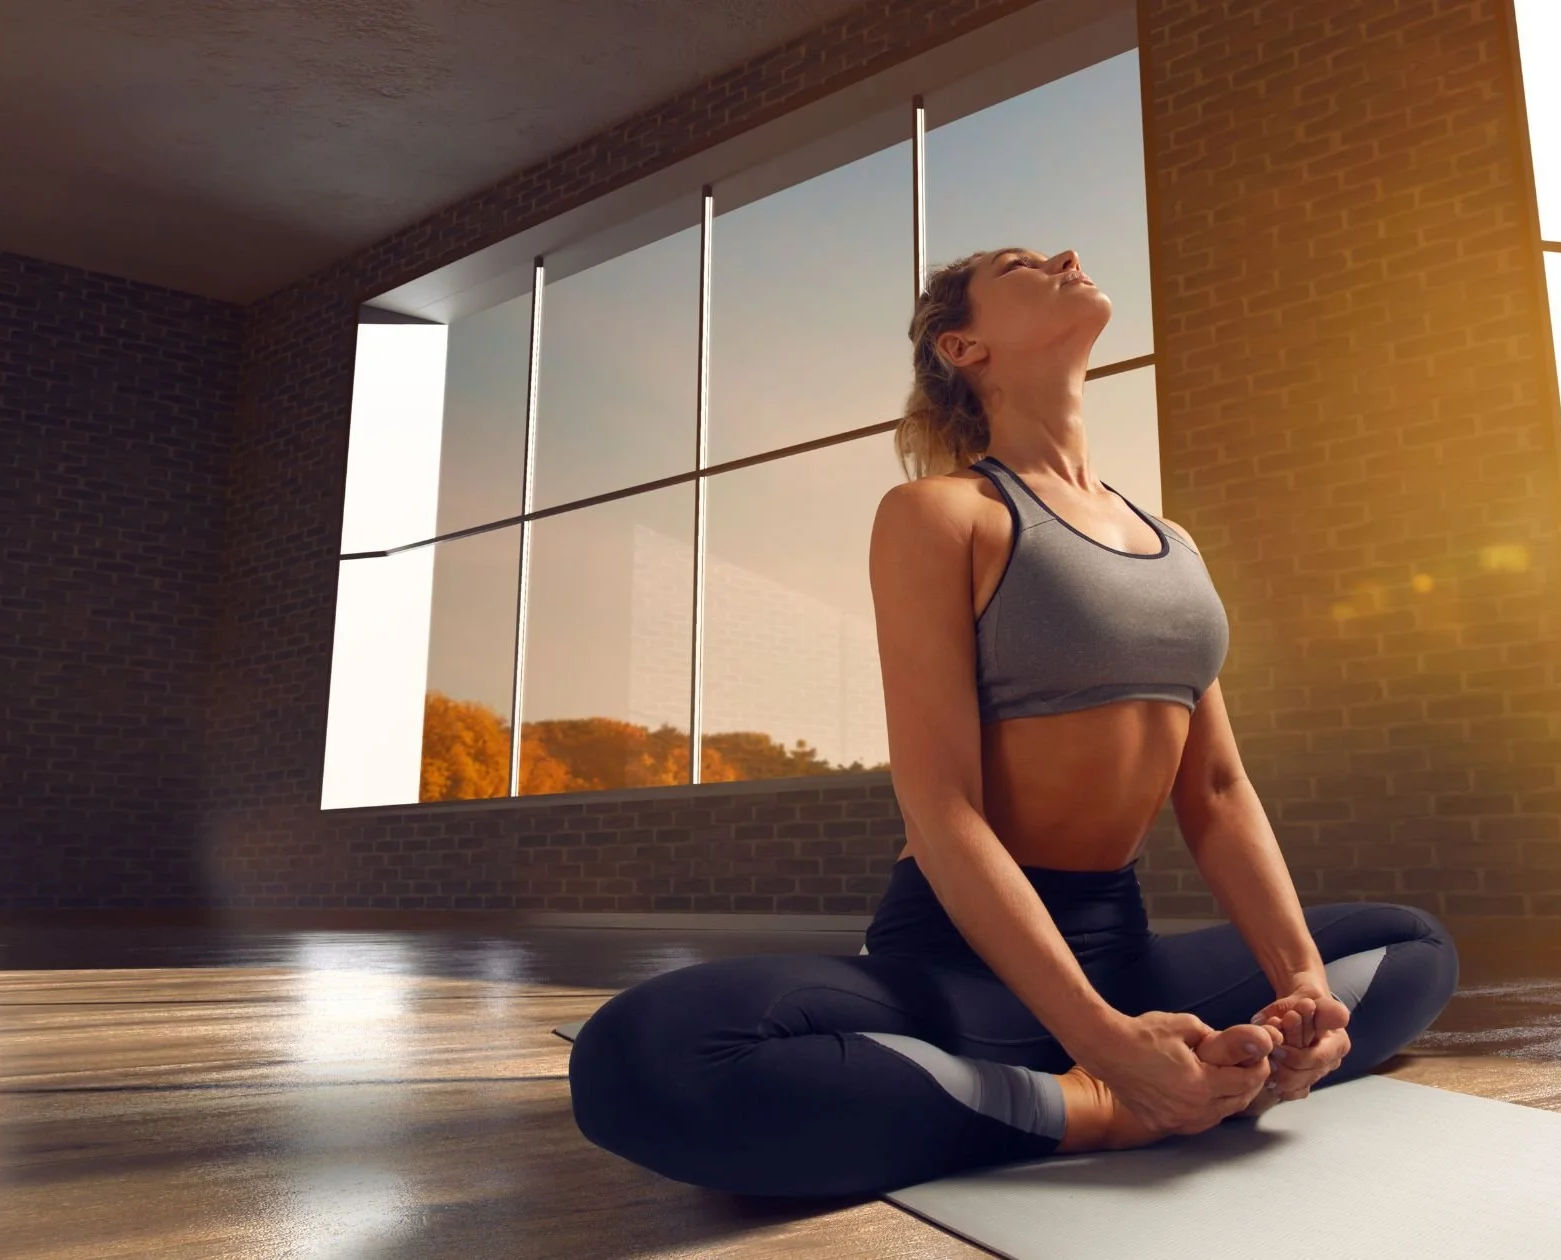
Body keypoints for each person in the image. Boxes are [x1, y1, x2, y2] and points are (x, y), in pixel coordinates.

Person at [567, 246, 1459, 1199]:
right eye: (1022, 264)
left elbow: (1215, 789)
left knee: (1412, 947)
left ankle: (1176, 1077)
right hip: (965, 963)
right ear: (965, 343)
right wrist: (1105, 1048)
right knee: (646, 1057)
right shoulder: (939, 516)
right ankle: (1103, 1109)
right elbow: (941, 804)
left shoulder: (1173, 544)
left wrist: (1305, 1000)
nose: (1069, 257)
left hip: (1123, 948)